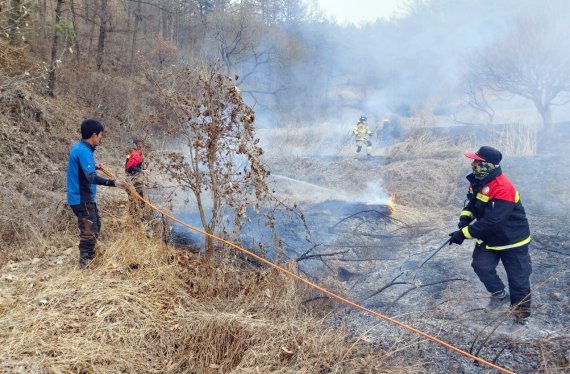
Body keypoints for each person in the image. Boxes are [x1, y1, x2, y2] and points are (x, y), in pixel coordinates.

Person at [448, 146, 532, 325]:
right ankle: (499, 294)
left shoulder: (503, 188)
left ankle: (520, 318)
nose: (473, 164)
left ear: (487, 165)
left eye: (477, 162)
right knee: (481, 266)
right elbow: (472, 205)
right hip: (489, 238)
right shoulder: (477, 182)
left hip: (512, 241)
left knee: (518, 280)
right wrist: (464, 220)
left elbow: (493, 221)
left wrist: (463, 234)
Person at [66, 119, 120, 269]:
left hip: (82, 197)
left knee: (95, 227)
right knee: (89, 230)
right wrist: (112, 183)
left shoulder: (79, 148)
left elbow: (83, 170)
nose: (101, 138)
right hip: (82, 198)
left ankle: (89, 257)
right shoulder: (84, 151)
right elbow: (90, 177)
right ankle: (85, 264)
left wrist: (94, 166)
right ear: (94, 135)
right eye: (100, 135)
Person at [125, 139, 146, 216]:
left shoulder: (130, 153)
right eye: (140, 145)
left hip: (128, 177)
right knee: (140, 196)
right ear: (137, 146)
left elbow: (127, 165)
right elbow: (131, 167)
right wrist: (142, 171)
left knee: (131, 196)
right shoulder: (135, 154)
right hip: (134, 177)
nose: (141, 147)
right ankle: (141, 215)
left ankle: (133, 215)